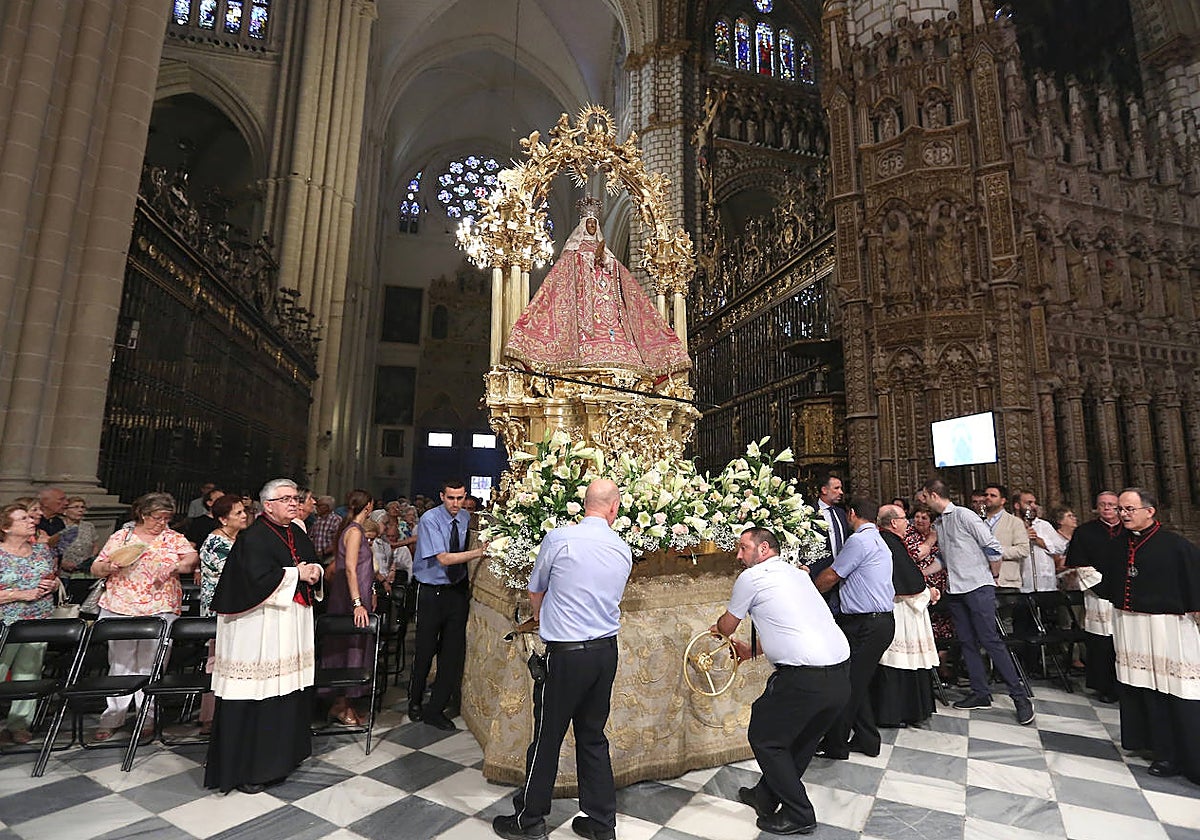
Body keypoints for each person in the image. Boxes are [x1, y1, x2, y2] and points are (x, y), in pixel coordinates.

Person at [492, 479, 632, 840]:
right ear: (614, 508)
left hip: (567, 655)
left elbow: (536, 588)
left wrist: (542, 618)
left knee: (548, 736)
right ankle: (602, 823)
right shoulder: (622, 548)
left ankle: (530, 820)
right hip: (605, 652)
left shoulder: (559, 539)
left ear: (584, 504)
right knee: (592, 736)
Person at [716, 527, 850, 836]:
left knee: (765, 738)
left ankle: (799, 813)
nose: (738, 555)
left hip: (805, 679)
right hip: (840, 675)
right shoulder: (798, 576)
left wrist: (718, 629)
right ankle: (765, 796)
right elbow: (793, 625)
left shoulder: (752, 578)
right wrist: (752, 651)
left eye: (743, 548)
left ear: (763, 549)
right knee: (800, 742)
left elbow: (727, 626)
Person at [204, 479, 324, 794]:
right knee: (259, 693)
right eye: (286, 498)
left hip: (290, 627)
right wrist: (298, 573)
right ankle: (250, 769)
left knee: (287, 692)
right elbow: (255, 580)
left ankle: (283, 759)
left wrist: (315, 572)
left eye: (296, 498)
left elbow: (311, 564)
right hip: (259, 629)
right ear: (267, 505)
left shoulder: (296, 532)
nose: (294, 503)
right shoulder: (253, 538)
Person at [503, 196, 691, 380]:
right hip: (586, 305)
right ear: (583, 226)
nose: (592, 227)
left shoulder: (606, 252)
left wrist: (608, 261)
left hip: (608, 300)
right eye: (589, 224)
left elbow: (618, 272)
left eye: (594, 224)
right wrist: (586, 260)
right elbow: (565, 272)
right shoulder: (573, 251)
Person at [1097, 488, 1200, 783]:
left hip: (1167, 628)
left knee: (1178, 689)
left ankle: (1190, 756)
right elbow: (1110, 582)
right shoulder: (1119, 545)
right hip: (1131, 627)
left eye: (1129, 509)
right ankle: (1160, 750)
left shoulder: (1176, 545)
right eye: (1121, 510)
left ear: (1149, 511)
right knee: (1144, 689)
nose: (1124, 515)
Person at [916, 480, 1034, 725]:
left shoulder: (964, 515)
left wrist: (993, 575)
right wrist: (920, 573)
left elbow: (992, 546)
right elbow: (944, 559)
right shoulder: (940, 522)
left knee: (991, 641)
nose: (921, 500)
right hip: (957, 590)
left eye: (924, 496)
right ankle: (980, 693)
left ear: (933, 494)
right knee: (967, 642)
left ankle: (1020, 697)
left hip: (978, 587)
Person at [90, 492, 199, 741]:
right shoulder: (123, 536)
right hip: (121, 603)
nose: (162, 523)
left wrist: (177, 566)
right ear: (142, 514)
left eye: (167, 518)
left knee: (153, 661)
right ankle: (113, 716)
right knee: (121, 661)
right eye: (157, 517)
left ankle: (146, 715)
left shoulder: (173, 538)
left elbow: (191, 559)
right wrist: (108, 568)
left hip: (160, 604)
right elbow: (97, 566)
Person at [813, 496, 895, 759]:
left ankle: (836, 745)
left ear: (851, 514)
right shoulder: (879, 539)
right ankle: (867, 740)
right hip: (879, 622)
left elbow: (832, 575)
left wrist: (807, 588)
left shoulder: (859, 540)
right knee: (858, 684)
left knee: (848, 685)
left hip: (867, 624)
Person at [409, 479, 486, 731]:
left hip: (456, 591)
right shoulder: (430, 519)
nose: (456, 503)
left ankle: (436, 708)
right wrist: (479, 553)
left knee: (451, 652)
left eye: (460, 498)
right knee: (425, 649)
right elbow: (443, 558)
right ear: (442, 496)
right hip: (431, 591)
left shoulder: (465, 518)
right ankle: (415, 700)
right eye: (451, 498)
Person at [871, 504, 939, 728]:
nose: (907, 523)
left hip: (903, 607)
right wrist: (929, 593)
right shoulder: (890, 543)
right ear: (893, 523)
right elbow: (908, 583)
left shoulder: (891, 541)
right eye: (903, 519)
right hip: (902, 609)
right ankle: (899, 712)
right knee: (899, 661)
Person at [0, 504, 58, 745]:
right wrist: (18, 595)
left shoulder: (41, 551)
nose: (31, 521)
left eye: (30, 517)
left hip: (37, 619)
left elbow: (50, 576)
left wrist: (51, 586)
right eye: (23, 518)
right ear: (5, 527)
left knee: (29, 672)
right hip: (5, 621)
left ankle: (20, 723)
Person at [196, 494, 250, 734]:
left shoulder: (240, 538)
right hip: (220, 608)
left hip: (240, 606)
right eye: (238, 513)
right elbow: (235, 573)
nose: (244, 516)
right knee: (217, 659)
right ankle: (210, 715)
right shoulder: (216, 542)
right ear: (222, 519)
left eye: (243, 511)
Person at [1063, 491, 1124, 703]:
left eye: (1111, 505)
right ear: (1096, 507)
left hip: (1128, 594)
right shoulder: (1085, 532)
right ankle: (1105, 686)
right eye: (1102, 505)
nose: (1107, 508)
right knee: (1101, 641)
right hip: (1098, 593)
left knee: (1125, 640)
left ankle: (1127, 685)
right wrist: (1103, 586)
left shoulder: (1129, 530)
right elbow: (1079, 563)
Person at [322, 489, 375, 727]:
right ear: (369, 507)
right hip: (349, 599)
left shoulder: (354, 530)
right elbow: (351, 568)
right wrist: (357, 603)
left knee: (351, 648)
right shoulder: (354, 532)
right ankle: (342, 704)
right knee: (349, 648)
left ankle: (344, 703)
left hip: (355, 595)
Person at [807, 473, 848, 613]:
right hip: (819, 575)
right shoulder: (809, 513)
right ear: (824, 490)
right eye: (836, 488)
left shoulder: (841, 513)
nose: (841, 492)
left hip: (841, 575)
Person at [982, 484, 1029, 589]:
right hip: (981, 582)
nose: (988, 498)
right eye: (986, 495)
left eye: (993, 495)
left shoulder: (1015, 522)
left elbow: (1023, 549)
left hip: (1006, 582)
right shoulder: (977, 522)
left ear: (1003, 500)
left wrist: (996, 551)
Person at [57, 496, 98, 574]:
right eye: (76, 507)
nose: (80, 510)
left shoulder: (89, 526)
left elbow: (95, 545)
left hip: (85, 571)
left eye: (82, 507)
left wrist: (90, 560)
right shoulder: (59, 525)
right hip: (63, 571)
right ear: (65, 511)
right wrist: (62, 563)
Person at [309, 495, 340, 561]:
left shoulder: (336, 520)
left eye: (318, 506)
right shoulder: (316, 520)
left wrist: (324, 552)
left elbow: (338, 541)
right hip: (315, 557)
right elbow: (311, 537)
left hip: (330, 558)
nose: (316, 508)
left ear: (326, 507)